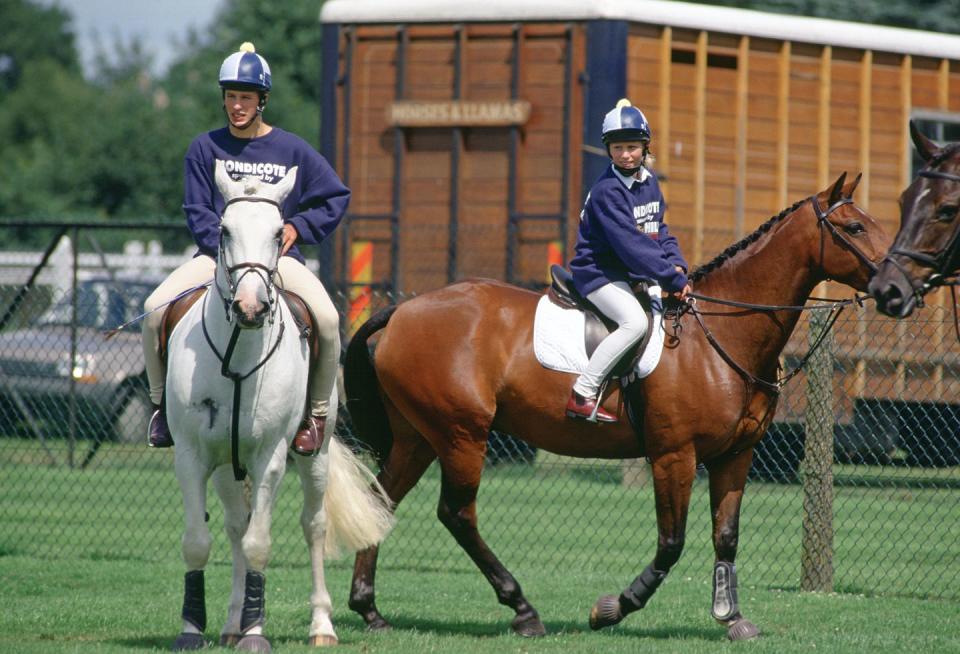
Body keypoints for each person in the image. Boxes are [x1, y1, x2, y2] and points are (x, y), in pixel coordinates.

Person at [142, 42, 350, 456]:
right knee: (153, 310)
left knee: (327, 319)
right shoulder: (204, 148)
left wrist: (298, 227)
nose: (237, 105)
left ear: (262, 101)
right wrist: (221, 252)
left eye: (246, 97)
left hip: (277, 262)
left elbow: (335, 196)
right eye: (231, 96)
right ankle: (162, 407)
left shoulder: (292, 150)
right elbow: (198, 209)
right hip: (216, 261)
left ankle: (316, 415)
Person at [565, 99, 691, 423]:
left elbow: (659, 230)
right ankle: (583, 392)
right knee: (634, 323)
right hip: (598, 273)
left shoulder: (649, 183)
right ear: (608, 150)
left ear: (645, 147)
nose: (625, 154)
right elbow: (632, 246)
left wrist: (678, 265)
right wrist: (671, 279)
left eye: (632, 147)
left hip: (630, 272)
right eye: (618, 147)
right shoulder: (608, 191)